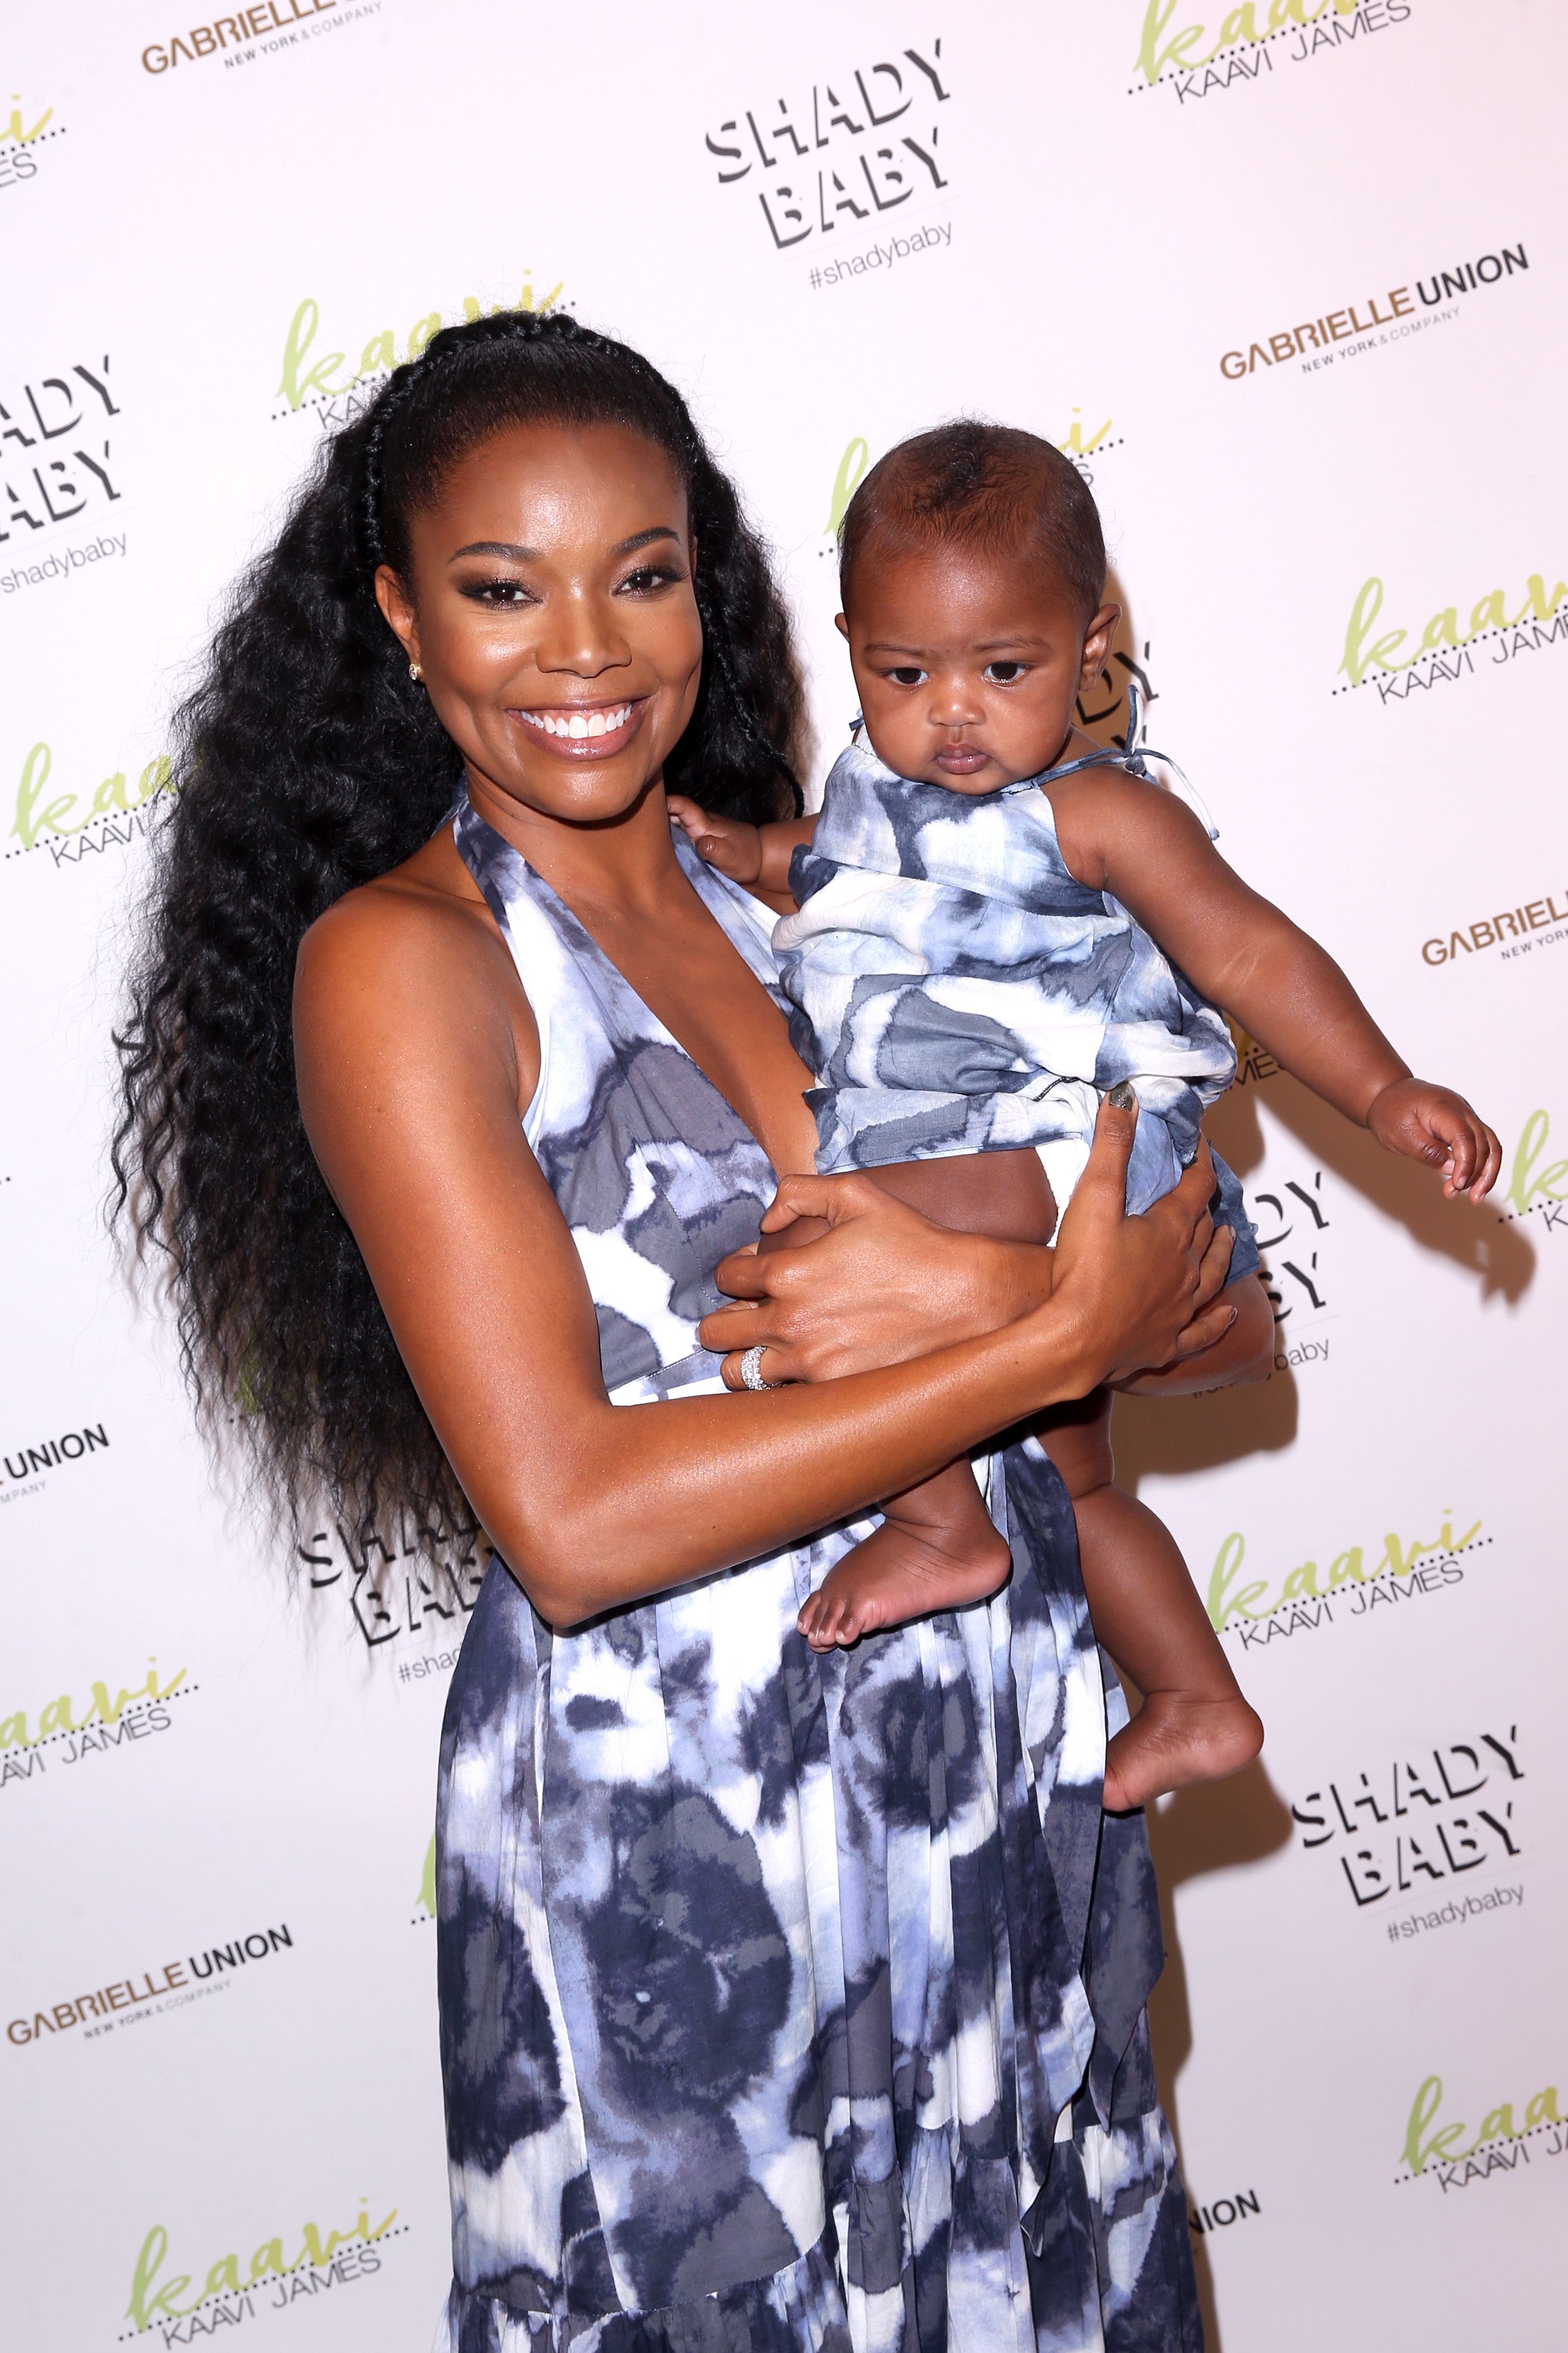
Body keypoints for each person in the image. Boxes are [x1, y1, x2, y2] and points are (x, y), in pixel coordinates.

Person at [113, 315, 1267, 2353]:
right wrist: (1021, 1339)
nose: (582, 648)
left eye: (638, 576)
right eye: (499, 586)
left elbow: (1199, 1307)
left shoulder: (817, 883)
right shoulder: (407, 967)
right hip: (702, 1864)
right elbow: (565, 1514)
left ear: (705, 589)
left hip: (997, 1787)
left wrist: (995, 1302)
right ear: (397, 613)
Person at [671, 422, 1500, 1814]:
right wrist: (736, 854)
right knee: (1072, 1475)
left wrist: (1381, 1088)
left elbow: (1250, 957)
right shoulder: (867, 798)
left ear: (1091, 635)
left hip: (1084, 1143)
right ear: (849, 642)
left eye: (1005, 670)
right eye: (904, 671)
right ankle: (1192, 1693)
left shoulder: (1098, 812)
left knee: (829, 1246)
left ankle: (938, 1525)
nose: (953, 712)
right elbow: (816, 868)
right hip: (986, 1153)